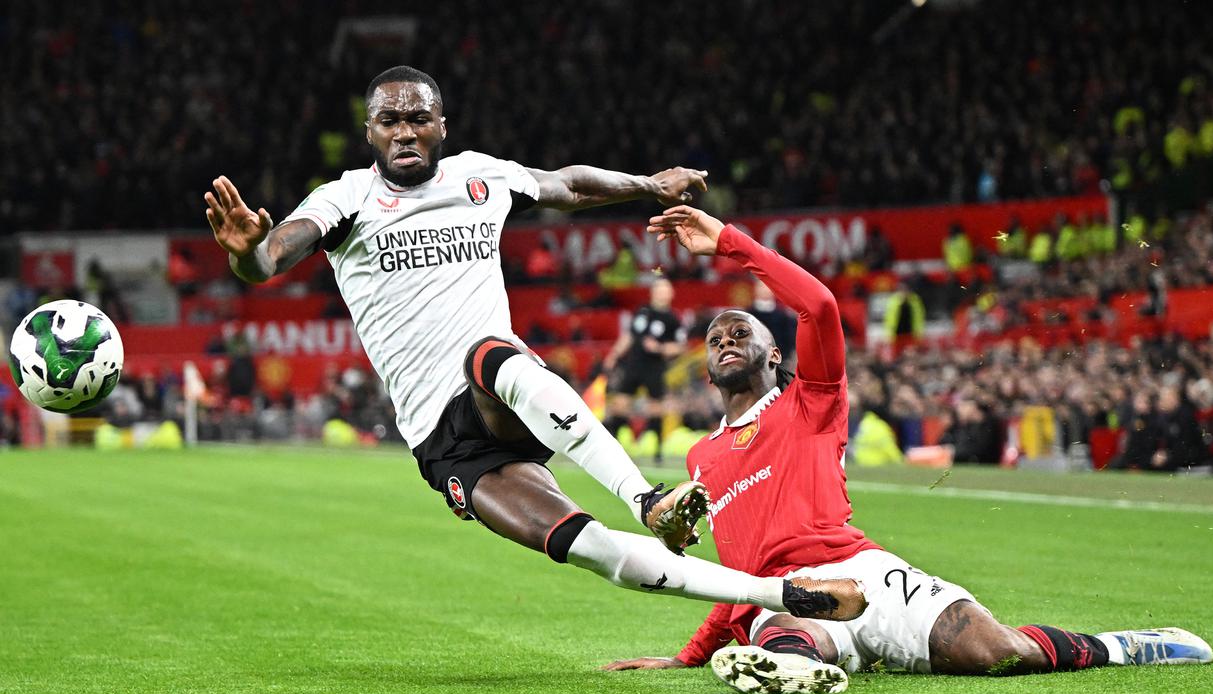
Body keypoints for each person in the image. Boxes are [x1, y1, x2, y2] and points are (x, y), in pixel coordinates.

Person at [204, 66, 864, 621]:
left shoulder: (477, 178)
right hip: (442, 440)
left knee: (490, 355)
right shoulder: (345, 198)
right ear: (369, 131)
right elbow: (270, 256)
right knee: (589, 546)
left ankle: (647, 500)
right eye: (389, 121)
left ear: (441, 126)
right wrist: (247, 258)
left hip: (501, 388)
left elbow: (565, 184)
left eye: (418, 119)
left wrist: (644, 186)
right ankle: (785, 596)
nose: (404, 132)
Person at [604, 206, 1212, 694]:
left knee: (994, 653)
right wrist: (688, 657)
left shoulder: (811, 402)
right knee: (785, 637)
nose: (726, 339)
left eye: (742, 333)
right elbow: (741, 572)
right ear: (707, 372)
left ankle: (1123, 645)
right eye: (715, 339)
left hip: (863, 573)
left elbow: (818, 306)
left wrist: (731, 245)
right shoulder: (701, 461)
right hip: (788, 598)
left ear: (775, 355)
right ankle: (796, 663)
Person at [603, 277, 686, 462]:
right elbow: (630, 336)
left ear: (671, 293)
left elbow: (680, 347)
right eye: (659, 289)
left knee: (655, 407)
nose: (662, 292)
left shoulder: (673, 319)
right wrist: (614, 355)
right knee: (619, 403)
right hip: (634, 364)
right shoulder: (642, 312)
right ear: (653, 292)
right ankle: (613, 447)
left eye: (666, 289)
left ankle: (657, 451)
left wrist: (660, 348)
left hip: (655, 368)